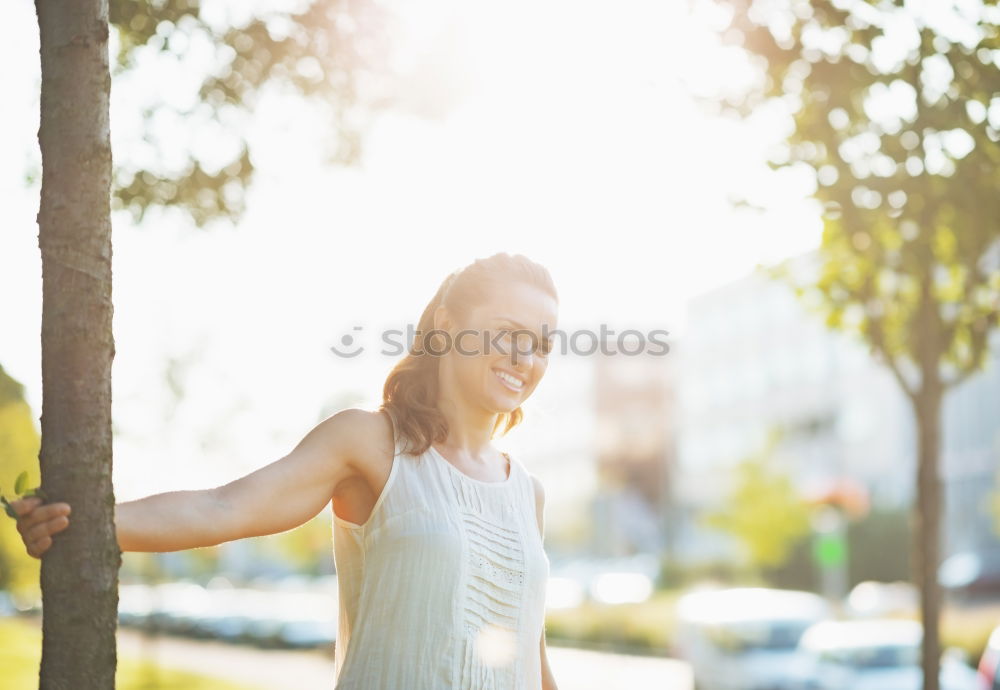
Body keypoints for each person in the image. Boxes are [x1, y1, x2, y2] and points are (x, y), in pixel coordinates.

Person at [12, 251, 561, 690]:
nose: (524, 358)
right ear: (449, 327)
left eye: (540, 344)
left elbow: (529, 661)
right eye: (507, 332)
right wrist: (79, 521)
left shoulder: (527, 493)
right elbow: (224, 507)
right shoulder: (370, 442)